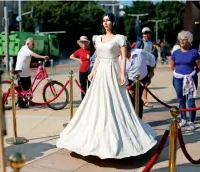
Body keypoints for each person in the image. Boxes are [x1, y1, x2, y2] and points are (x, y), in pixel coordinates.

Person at [56, 13, 157, 159]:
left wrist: (123, 73)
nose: (106, 23)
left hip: (113, 71)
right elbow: (98, 57)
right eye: (104, 20)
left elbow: (122, 58)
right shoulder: (98, 38)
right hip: (101, 72)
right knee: (97, 101)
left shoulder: (120, 38)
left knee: (115, 101)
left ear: (113, 22)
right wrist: (93, 71)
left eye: (108, 20)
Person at [171, 30, 200, 131]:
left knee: (190, 100)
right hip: (177, 79)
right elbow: (172, 66)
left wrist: (191, 74)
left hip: (190, 79)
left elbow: (199, 66)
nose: (182, 41)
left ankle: (191, 122)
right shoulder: (175, 53)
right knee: (180, 99)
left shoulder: (194, 52)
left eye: (185, 40)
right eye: (181, 40)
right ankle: (183, 119)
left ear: (189, 41)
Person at [119, 41, 156, 119]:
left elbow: (152, 58)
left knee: (137, 98)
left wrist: (151, 71)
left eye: (121, 49)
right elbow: (123, 73)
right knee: (132, 99)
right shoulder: (120, 59)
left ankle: (139, 119)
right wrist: (128, 87)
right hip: (130, 81)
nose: (119, 51)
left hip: (142, 79)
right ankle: (134, 119)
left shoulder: (139, 53)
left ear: (127, 48)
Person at [15, 38, 49, 108]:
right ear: (27, 44)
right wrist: (43, 57)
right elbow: (34, 55)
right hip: (21, 72)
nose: (33, 45)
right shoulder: (25, 49)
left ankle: (29, 101)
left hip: (26, 72)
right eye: (32, 43)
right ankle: (21, 104)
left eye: (34, 43)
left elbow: (28, 62)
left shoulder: (27, 50)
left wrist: (36, 65)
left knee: (29, 88)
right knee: (22, 90)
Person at [135, 27, 154, 107]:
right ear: (142, 34)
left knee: (147, 82)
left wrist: (152, 66)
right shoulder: (140, 42)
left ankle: (144, 99)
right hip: (141, 65)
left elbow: (151, 54)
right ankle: (144, 100)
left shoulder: (150, 43)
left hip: (148, 65)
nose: (146, 35)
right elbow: (135, 53)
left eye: (148, 33)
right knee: (143, 83)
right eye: (145, 33)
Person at [70, 36, 91, 100]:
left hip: (91, 71)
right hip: (82, 70)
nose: (84, 43)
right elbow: (71, 56)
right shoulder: (79, 51)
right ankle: (83, 100)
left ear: (87, 42)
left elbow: (96, 58)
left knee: (90, 86)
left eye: (85, 42)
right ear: (81, 43)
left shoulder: (91, 50)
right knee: (83, 86)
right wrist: (79, 60)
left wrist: (90, 57)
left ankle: (90, 100)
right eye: (82, 42)